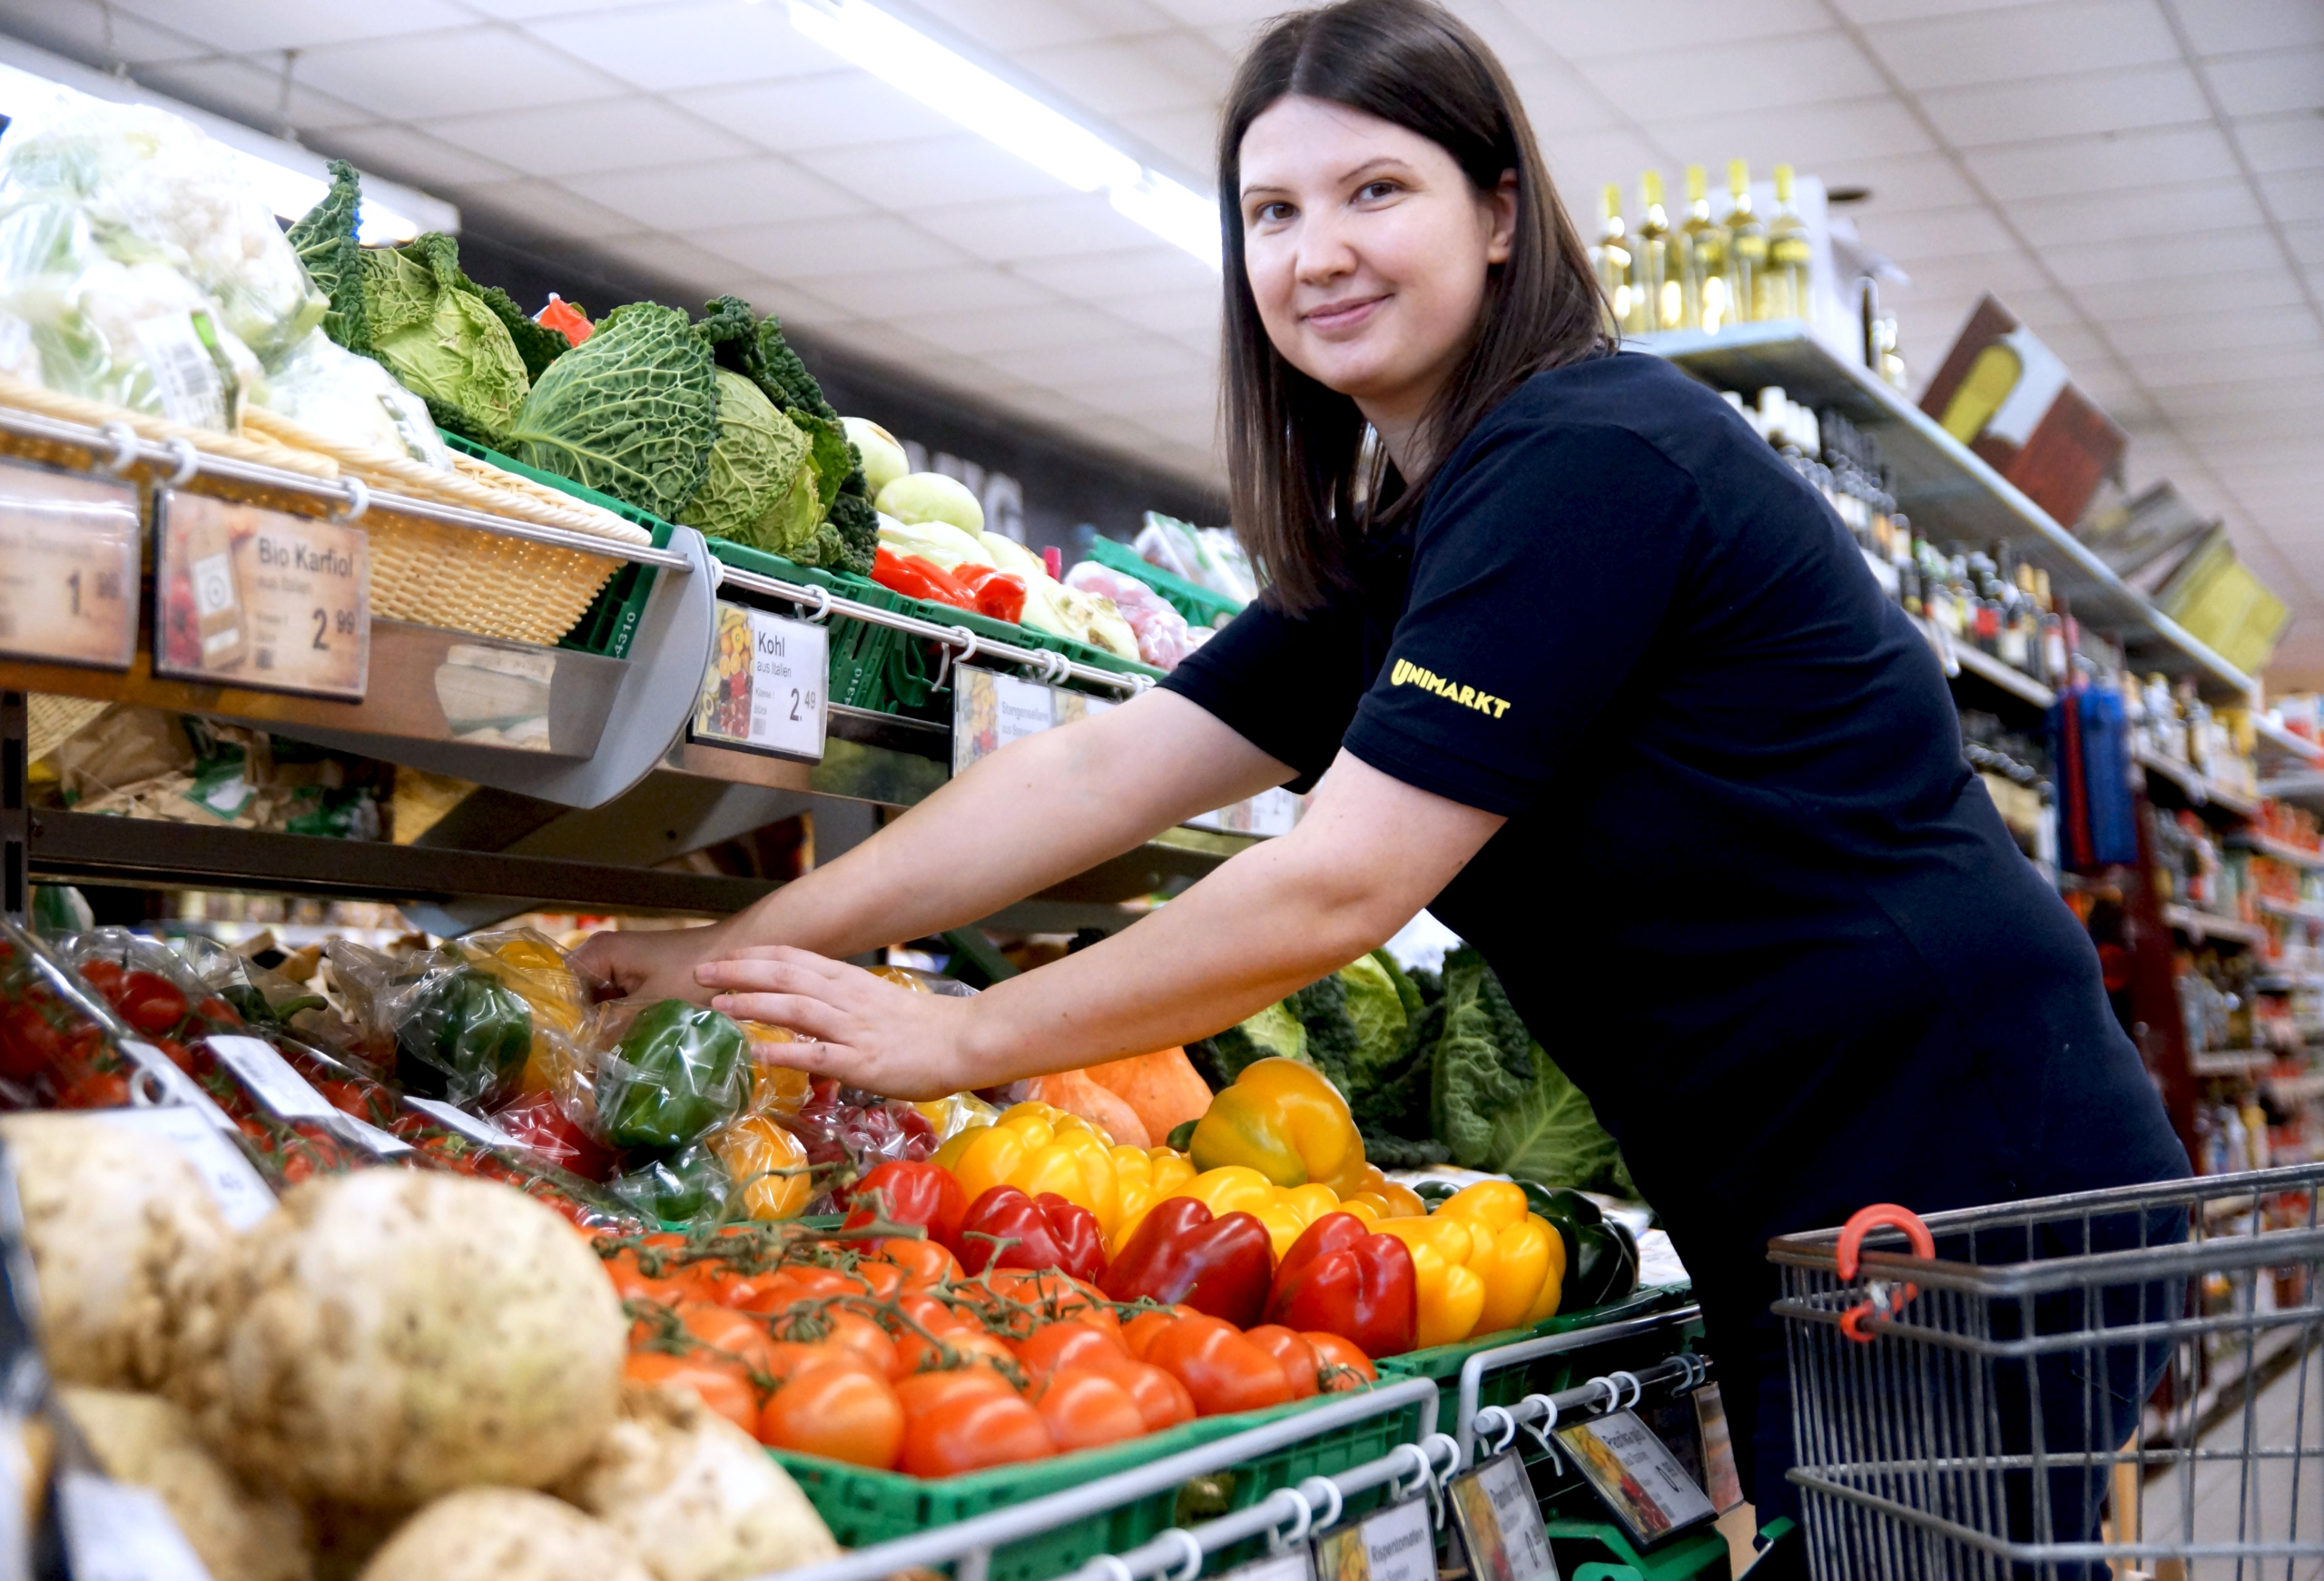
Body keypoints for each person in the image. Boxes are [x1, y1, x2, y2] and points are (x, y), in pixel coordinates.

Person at [576, 0, 2189, 1569]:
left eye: (1374, 190)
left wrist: (966, 1034)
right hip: (1815, 1179)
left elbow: (1341, 881)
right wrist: (733, 952)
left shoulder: (1587, 460)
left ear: (1500, 214)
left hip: (1954, 1164)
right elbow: (1101, 765)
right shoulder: (1418, 536)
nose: (1317, 251)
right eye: (1271, 211)